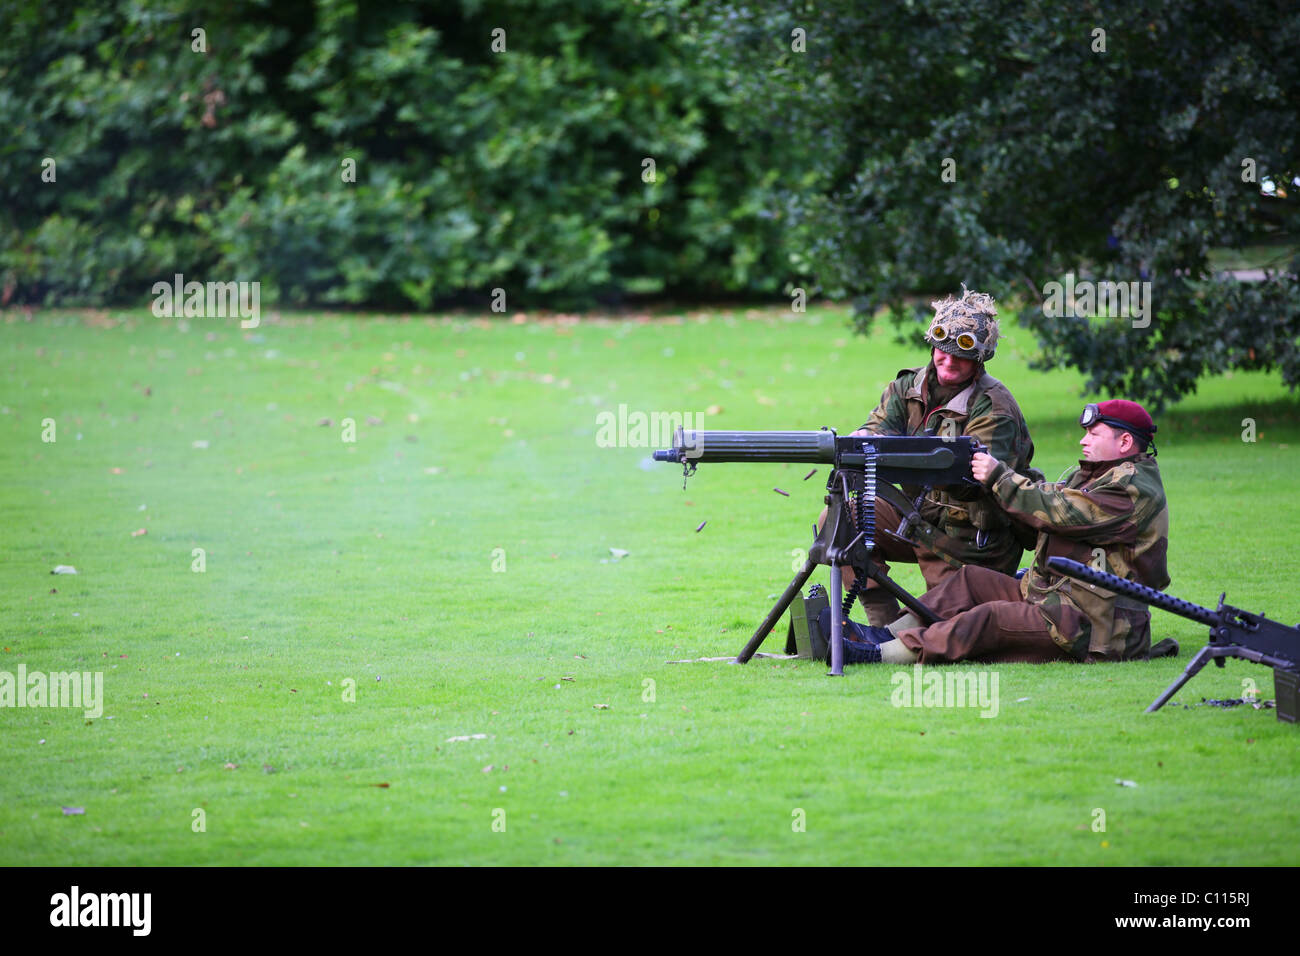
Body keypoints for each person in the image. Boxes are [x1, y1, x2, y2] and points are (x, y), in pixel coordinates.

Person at [822, 399, 1169, 665]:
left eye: (1094, 434)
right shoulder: (1098, 474)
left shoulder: (1132, 490)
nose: (1083, 441)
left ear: (1125, 442)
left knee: (990, 619)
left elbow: (1060, 513)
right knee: (970, 581)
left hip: (1092, 625)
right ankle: (882, 636)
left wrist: (998, 475)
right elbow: (1054, 499)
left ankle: (878, 656)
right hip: (1052, 595)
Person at [821, 286, 1036, 625]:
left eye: (960, 355)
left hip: (969, 536)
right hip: (916, 514)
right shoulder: (906, 387)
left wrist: (908, 459)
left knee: (942, 629)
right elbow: (878, 430)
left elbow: (974, 483)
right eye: (941, 350)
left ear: (979, 359)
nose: (947, 361)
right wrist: (864, 439)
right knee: (841, 520)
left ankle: (1002, 590)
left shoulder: (994, 406)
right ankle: (881, 624)